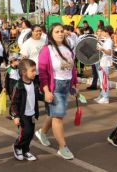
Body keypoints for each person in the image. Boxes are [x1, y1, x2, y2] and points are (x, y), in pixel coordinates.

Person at [36, 23, 78, 160]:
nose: (60, 33)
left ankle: (42, 132)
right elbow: (42, 73)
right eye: (57, 32)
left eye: (61, 31)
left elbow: (72, 69)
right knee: (58, 116)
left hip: (66, 85)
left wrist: (73, 85)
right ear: (51, 35)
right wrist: (47, 91)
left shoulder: (67, 48)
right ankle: (62, 147)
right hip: (55, 87)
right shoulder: (46, 50)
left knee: (55, 114)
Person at [11, 59, 41, 161]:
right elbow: (14, 103)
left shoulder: (34, 83)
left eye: (35, 70)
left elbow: (38, 95)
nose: (35, 73)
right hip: (23, 114)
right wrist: (15, 116)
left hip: (32, 113)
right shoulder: (18, 86)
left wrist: (47, 97)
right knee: (25, 132)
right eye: (32, 70)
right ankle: (17, 147)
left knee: (30, 133)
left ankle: (25, 150)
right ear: (24, 72)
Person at [95, 26, 114, 104]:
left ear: (107, 32)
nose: (101, 33)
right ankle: (103, 96)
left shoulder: (109, 41)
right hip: (103, 62)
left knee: (104, 81)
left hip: (106, 63)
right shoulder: (107, 41)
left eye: (103, 31)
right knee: (102, 81)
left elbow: (109, 52)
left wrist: (101, 49)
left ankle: (106, 97)